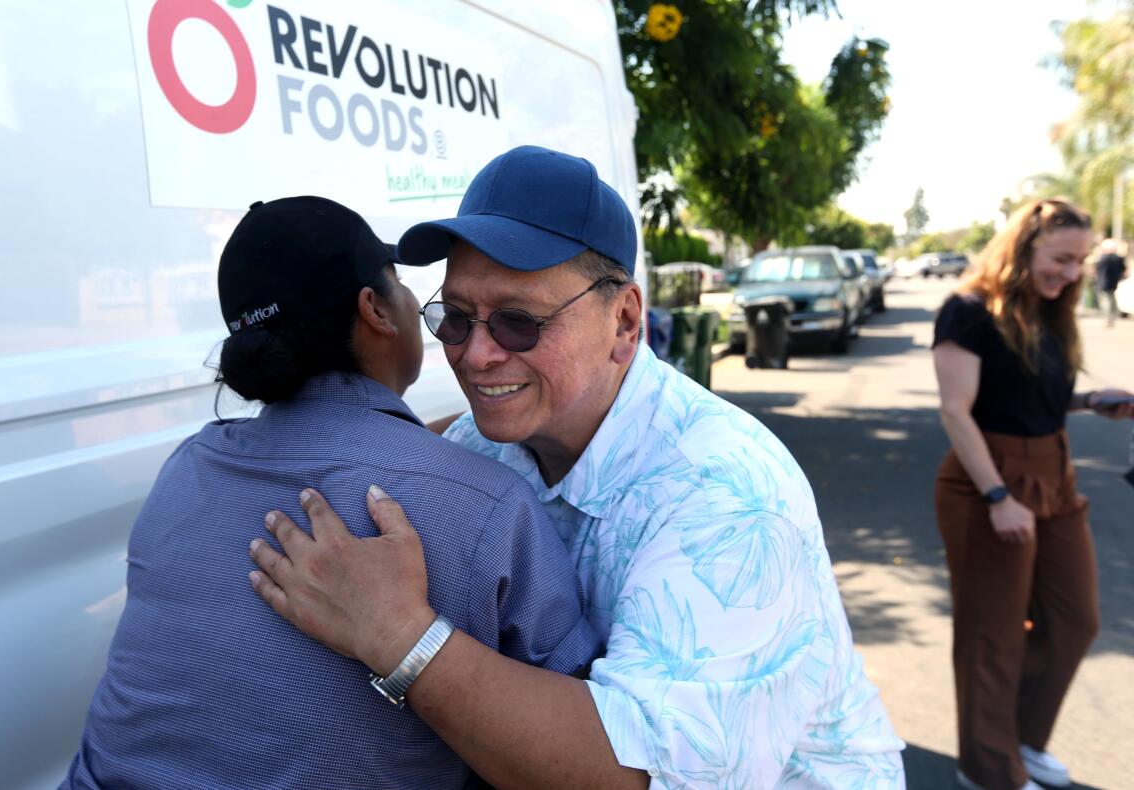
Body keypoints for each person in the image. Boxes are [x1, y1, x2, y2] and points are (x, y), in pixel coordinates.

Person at [247, 146, 905, 788]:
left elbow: (638, 771)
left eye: (518, 322)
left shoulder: (729, 497)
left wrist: (396, 635)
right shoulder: (484, 443)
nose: (476, 357)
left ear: (624, 323)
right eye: (454, 318)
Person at [62, 197, 601, 789]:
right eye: (406, 289)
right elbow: (580, 755)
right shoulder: (489, 509)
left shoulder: (187, 469)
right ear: (375, 309)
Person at [931, 199, 1134, 790]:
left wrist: (1090, 402)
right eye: (1061, 259)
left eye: (1080, 262)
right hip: (985, 480)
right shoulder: (967, 312)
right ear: (1022, 248)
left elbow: (1023, 396)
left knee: (1076, 619)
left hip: (1055, 471)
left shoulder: (1049, 313)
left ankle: (1016, 739)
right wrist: (997, 496)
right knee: (991, 634)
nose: (1071, 274)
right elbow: (956, 411)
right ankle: (990, 770)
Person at [1095, 238, 1127, 327]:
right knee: (1111, 300)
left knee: (1106, 301)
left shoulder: (1104, 258)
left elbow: (1099, 270)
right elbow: (1123, 270)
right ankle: (1112, 317)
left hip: (1103, 283)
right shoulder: (1118, 258)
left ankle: (1108, 319)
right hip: (1113, 283)